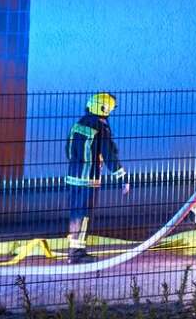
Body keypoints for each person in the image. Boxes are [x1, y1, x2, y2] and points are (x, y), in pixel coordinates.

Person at [64, 92, 129, 263]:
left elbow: (68, 149)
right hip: (89, 179)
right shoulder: (100, 127)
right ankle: (77, 253)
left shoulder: (79, 123)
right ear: (104, 108)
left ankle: (72, 250)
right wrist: (122, 177)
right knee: (84, 215)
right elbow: (109, 154)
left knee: (75, 214)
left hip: (73, 176)